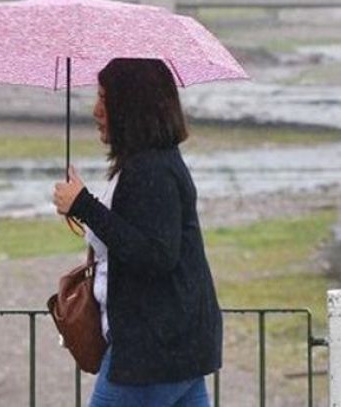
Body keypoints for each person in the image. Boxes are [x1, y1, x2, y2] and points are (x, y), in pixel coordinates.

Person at [53, 58, 222, 407]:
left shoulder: (151, 170)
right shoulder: (152, 163)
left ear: (130, 106)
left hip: (152, 349)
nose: (96, 110)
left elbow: (156, 254)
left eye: (104, 99)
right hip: (175, 343)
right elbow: (137, 236)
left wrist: (84, 205)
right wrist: (81, 207)